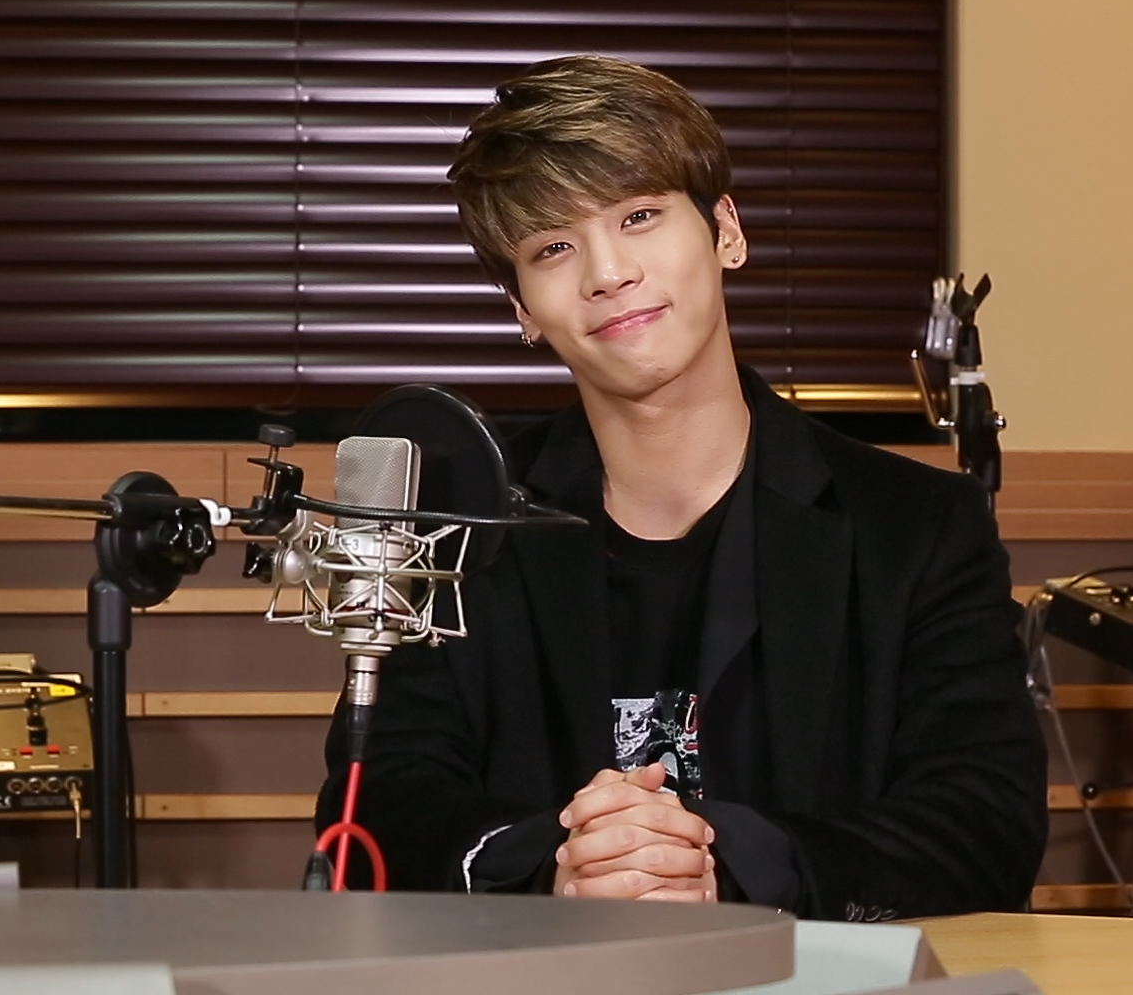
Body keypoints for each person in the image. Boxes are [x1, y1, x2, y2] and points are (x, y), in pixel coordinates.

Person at [315, 54, 1046, 919]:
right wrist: (557, 867)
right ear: (522, 308)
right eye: (553, 247)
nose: (607, 272)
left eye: (639, 216)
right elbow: (377, 805)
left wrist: (724, 864)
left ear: (726, 230)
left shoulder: (918, 525)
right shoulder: (456, 529)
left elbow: (983, 824)